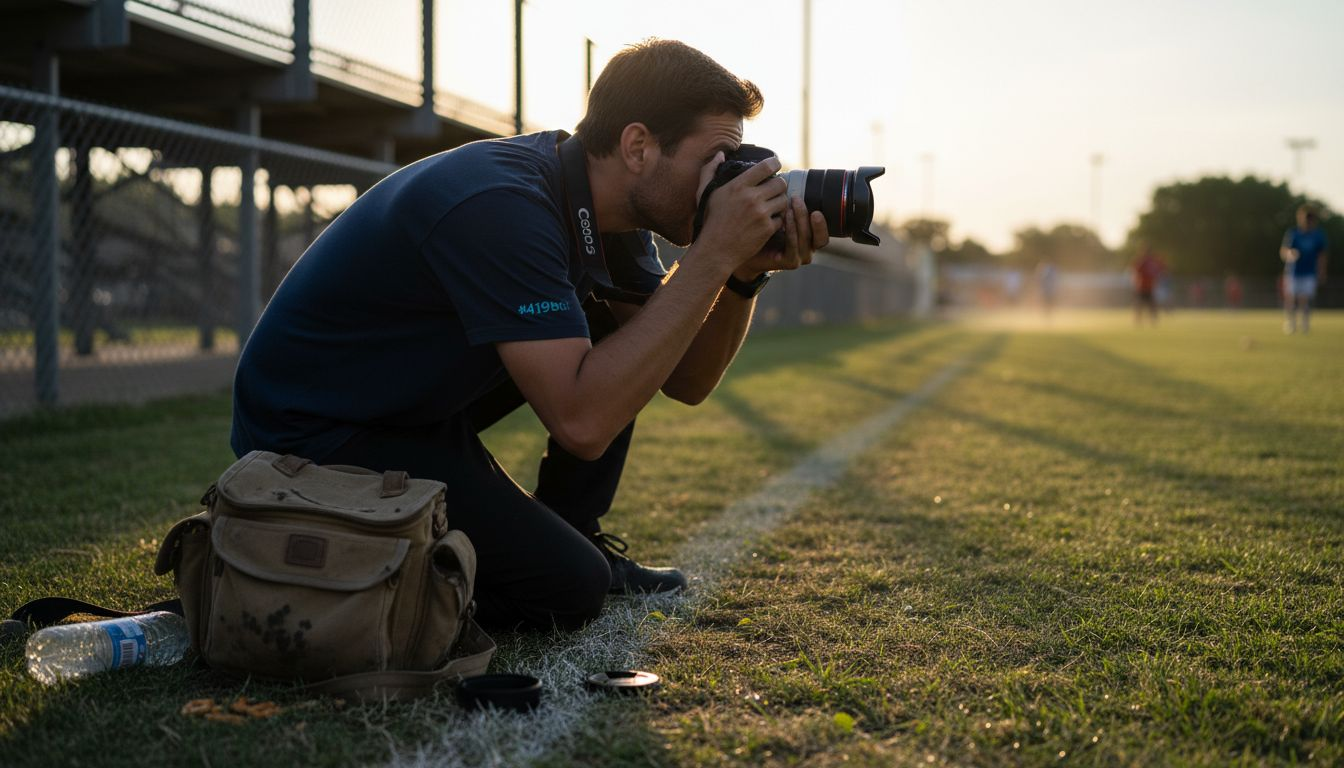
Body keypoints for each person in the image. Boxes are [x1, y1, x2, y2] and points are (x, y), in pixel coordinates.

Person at [229, 40, 829, 631]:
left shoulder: (610, 213)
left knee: (632, 327)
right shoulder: (505, 203)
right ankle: (317, 582)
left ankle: (574, 529)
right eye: (716, 162)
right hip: (313, 430)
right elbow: (582, 422)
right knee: (567, 588)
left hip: (404, 407)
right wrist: (712, 254)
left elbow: (687, 379)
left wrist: (741, 272)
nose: (726, 181)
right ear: (639, 146)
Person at [1280, 204, 1329, 334]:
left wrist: (1322, 271)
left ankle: (1305, 323)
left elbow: (1322, 255)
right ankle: (1291, 323)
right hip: (1294, 272)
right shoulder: (1293, 233)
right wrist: (1291, 254)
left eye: (1310, 219)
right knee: (1291, 299)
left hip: (1309, 272)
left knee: (1305, 299)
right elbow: (1284, 251)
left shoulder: (1318, 235)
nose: (1308, 222)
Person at [1131, 245, 1165, 325]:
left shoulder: (1152, 262)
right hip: (1142, 287)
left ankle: (1152, 320)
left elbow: (1160, 271)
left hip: (1149, 287)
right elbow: (1135, 272)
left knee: (1150, 304)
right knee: (1140, 304)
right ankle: (1139, 320)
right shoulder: (1142, 261)